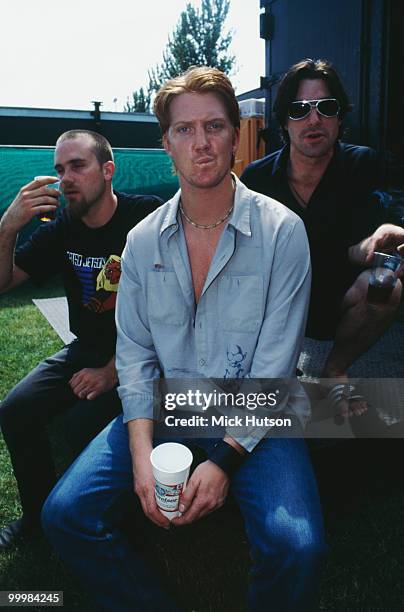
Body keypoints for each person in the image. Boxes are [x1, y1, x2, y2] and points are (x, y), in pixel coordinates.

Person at [42, 67, 327, 612]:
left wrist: (224, 460)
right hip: (169, 406)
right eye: (184, 130)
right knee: (65, 515)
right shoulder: (142, 239)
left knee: (300, 548)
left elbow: (275, 367)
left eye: (215, 127)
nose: (201, 144)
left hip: (256, 412)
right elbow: (135, 354)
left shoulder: (283, 232)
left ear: (234, 134)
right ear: (165, 143)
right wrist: (140, 451)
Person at [0, 130, 162, 550]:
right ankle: (38, 519)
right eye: (59, 170)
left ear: (108, 170)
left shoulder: (147, 219)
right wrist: (7, 227)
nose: (65, 179)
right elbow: (6, 282)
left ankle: (114, 525)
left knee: (79, 426)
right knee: (15, 409)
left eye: (77, 166)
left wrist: (112, 370)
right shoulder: (62, 227)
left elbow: (175, 311)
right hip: (85, 348)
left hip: (144, 356)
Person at [241, 58, 404, 418]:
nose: (313, 119)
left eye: (325, 107)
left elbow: (374, 236)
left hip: (337, 298)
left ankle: (335, 372)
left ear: (339, 117)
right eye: (299, 109)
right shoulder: (258, 179)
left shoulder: (363, 164)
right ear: (284, 120)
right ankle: (278, 374)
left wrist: (383, 238)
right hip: (278, 301)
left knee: (387, 285)